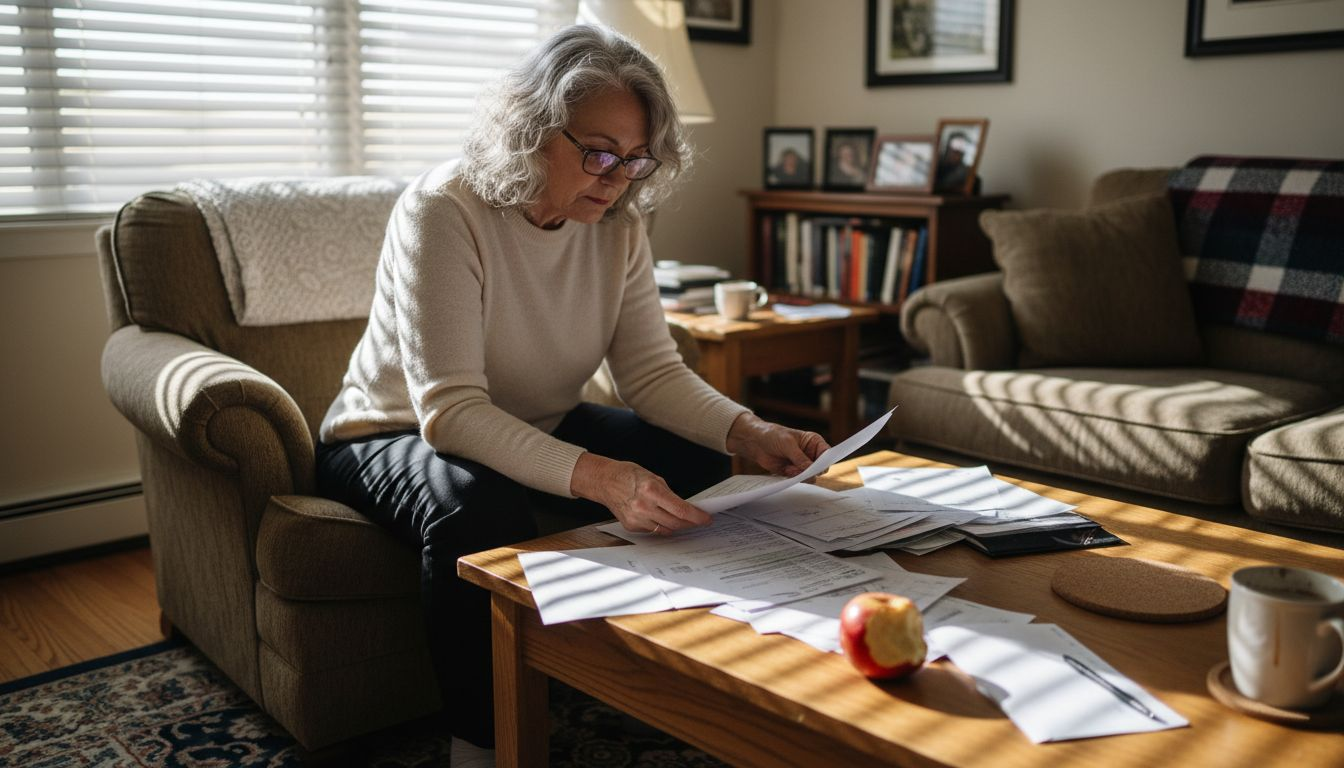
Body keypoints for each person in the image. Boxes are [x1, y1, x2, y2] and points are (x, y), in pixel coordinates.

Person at [315, 24, 829, 767]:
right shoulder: (444, 209)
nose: (617, 177)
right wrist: (598, 475)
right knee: (477, 508)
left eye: (635, 159)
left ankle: (700, 676)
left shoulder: (618, 225)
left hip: (540, 418)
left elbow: (650, 375)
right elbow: (452, 412)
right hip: (390, 434)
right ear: (529, 130)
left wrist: (747, 430)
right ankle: (480, 744)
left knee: (707, 467)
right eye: (597, 151)